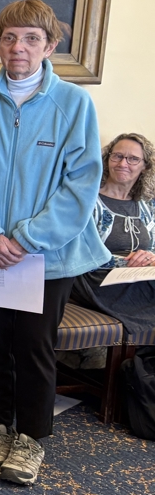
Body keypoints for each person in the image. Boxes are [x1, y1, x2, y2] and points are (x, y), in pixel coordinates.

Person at [0, 0, 109, 486]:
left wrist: (23, 239)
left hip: (47, 258)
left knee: (34, 347)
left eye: (31, 39)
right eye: (9, 37)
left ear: (50, 46)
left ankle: (32, 440)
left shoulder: (74, 104)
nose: (18, 47)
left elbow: (81, 184)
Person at [69, 134, 155, 352]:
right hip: (96, 278)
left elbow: (152, 247)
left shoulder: (147, 205)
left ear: (145, 166)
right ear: (107, 159)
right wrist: (126, 263)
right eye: (117, 156)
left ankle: (141, 369)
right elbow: (80, 251)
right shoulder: (89, 200)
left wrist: (150, 257)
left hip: (140, 277)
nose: (123, 163)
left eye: (132, 159)